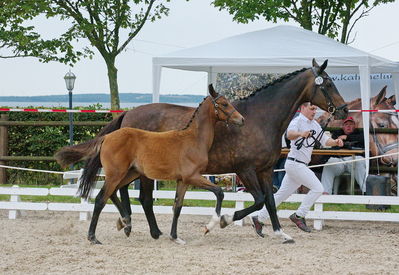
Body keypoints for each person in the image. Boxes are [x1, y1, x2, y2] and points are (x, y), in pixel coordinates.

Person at [251, 102, 344, 236]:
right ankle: (299, 215)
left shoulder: (314, 124)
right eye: (312, 109)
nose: (314, 112)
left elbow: (324, 140)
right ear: (303, 108)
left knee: (281, 195)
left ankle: (259, 218)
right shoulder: (297, 121)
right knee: (318, 188)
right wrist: (301, 134)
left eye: (316, 109)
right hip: (295, 164)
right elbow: (289, 134)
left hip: (298, 165)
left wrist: (335, 142)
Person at [321, 116, 366, 194]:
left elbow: (362, 139)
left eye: (351, 124)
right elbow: (336, 145)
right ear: (343, 126)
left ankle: (366, 192)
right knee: (329, 164)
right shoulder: (337, 133)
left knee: (360, 162)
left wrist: (347, 137)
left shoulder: (360, 133)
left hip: (353, 160)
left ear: (354, 126)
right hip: (339, 160)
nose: (348, 126)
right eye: (346, 124)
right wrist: (347, 143)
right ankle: (325, 193)